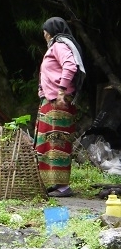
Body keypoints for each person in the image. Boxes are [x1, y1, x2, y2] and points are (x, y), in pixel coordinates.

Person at [34, 17, 86, 198]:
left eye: (45, 30)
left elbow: (70, 66)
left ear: (51, 31)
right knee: (48, 143)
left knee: (58, 142)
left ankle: (63, 186)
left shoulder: (59, 45)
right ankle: (55, 183)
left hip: (58, 101)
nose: (44, 34)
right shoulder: (55, 46)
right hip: (50, 101)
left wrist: (62, 90)